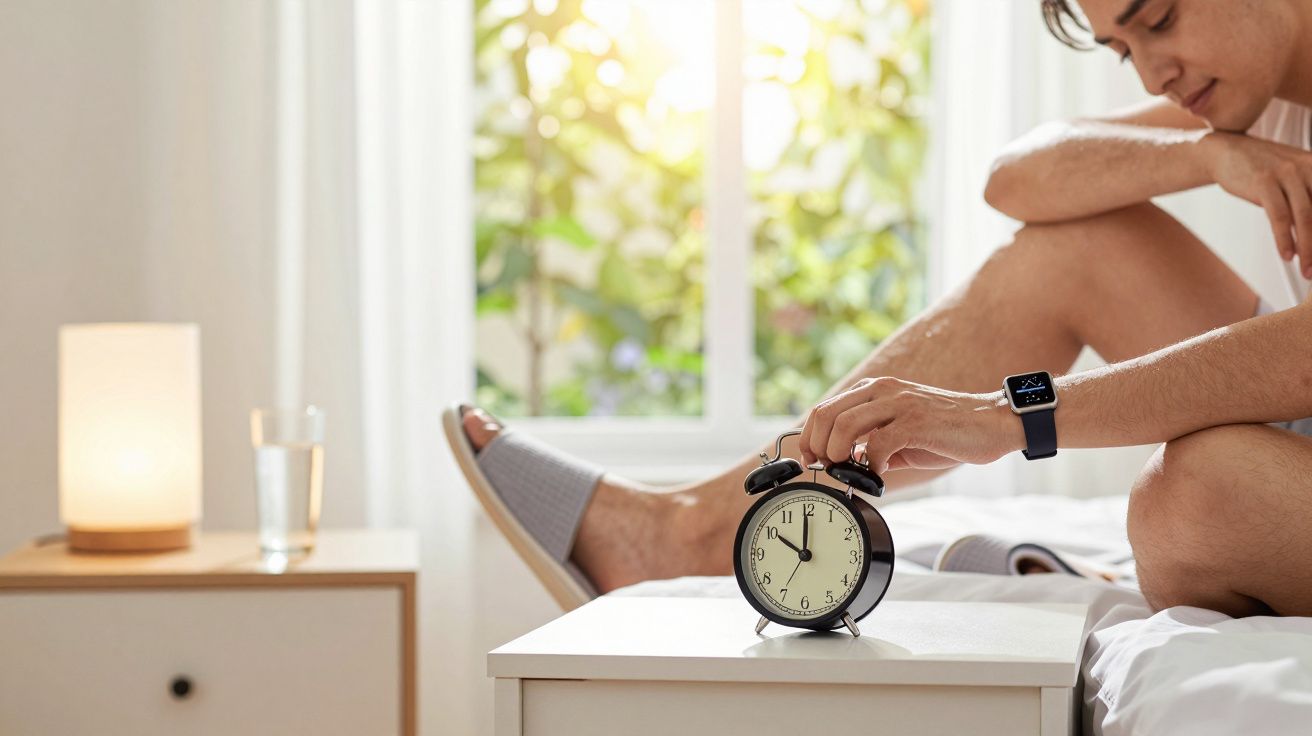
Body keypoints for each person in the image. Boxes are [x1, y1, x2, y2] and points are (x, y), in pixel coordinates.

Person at [450, 0, 1312, 619]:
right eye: (1122, 49)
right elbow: (1018, 175)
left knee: (1192, 498)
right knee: (1077, 249)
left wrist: (1002, 419)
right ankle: (704, 531)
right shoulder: (1252, 94)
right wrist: (1204, 156)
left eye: (1158, 19)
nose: (1155, 68)